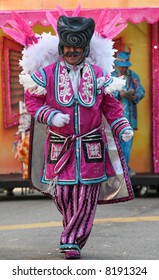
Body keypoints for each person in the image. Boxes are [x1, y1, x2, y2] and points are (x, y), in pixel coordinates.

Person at [3, 13, 134, 259]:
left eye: (77, 47)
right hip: (59, 146)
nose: (72, 51)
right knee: (63, 194)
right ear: (62, 47)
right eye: (68, 47)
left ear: (85, 49)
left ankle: (71, 240)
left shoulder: (98, 75)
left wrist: (121, 126)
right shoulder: (48, 74)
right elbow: (32, 101)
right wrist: (49, 115)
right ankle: (72, 232)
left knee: (87, 197)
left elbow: (111, 106)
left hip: (91, 146)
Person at [111, 50, 145, 176]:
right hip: (113, 119)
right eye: (121, 66)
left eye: (126, 67)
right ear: (116, 65)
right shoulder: (110, 76)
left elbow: (141, 91)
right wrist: (119, 94)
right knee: (113, 146)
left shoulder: (134, 77)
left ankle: (124, 169)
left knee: (127, 146)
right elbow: (104, 93)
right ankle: (116, 171)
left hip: (129, 117)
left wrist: (135, 95)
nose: (124, 69)